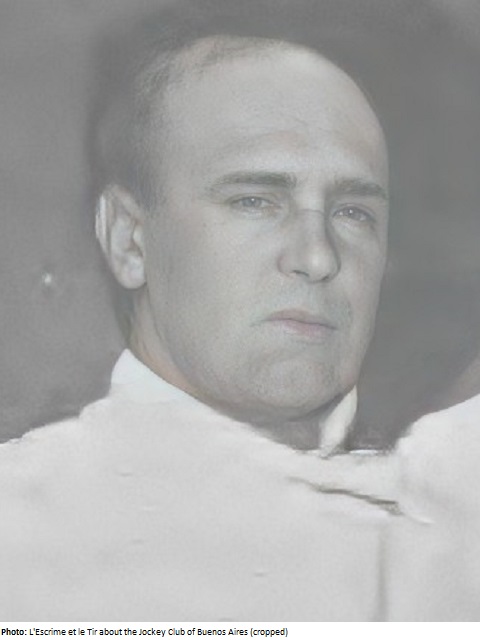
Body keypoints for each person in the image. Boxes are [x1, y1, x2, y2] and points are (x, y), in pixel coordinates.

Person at [0, 3, 393, 620]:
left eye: (353, 212)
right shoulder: (18, 533)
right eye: (254, 201)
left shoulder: (450, 526)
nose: (318, 258)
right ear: (130, 240)